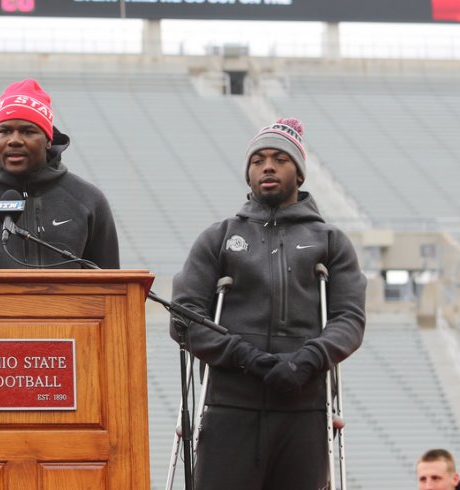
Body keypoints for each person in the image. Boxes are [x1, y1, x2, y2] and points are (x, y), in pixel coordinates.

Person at [170, 118, 366, 489]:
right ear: (248, 175)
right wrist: (246, 356)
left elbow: (349, 319)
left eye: (280, 158)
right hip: (229, 405)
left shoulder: (330, 241)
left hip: (304, 406)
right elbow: (183, 317)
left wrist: (308, 359)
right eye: (258, 160)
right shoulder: (219, 237)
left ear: (300, 173)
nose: (268, 167)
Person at [0, 79, 119, 269]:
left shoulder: (89, 200)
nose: (14, 140)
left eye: (27, 131)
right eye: (5, 131)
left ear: (48, 140)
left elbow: (113, 290)